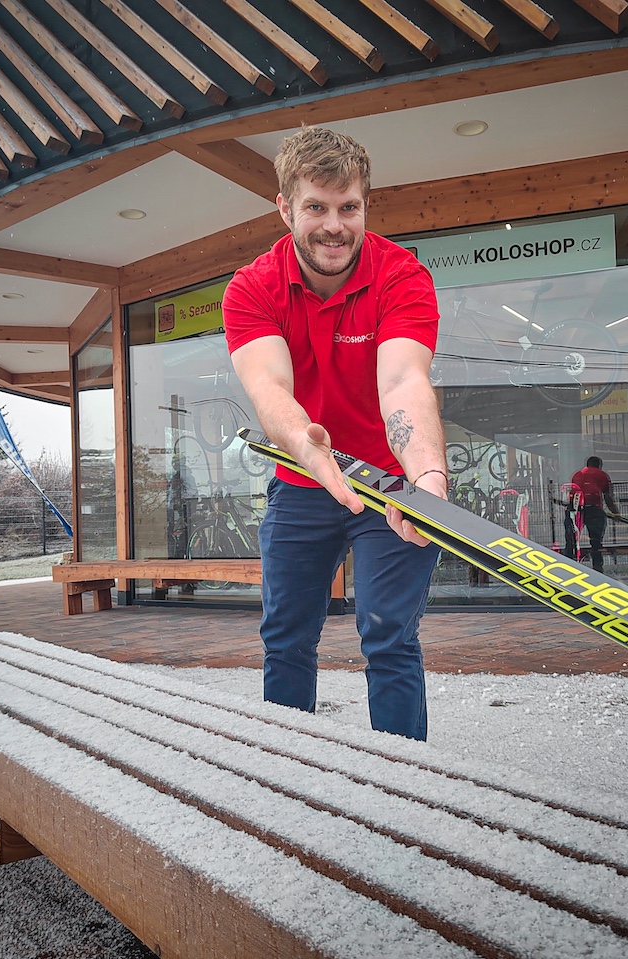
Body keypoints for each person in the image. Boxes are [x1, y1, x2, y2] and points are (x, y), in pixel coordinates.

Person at [221, 127, 447, 741]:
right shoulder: (251, 288)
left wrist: (428, 476)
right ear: (286, 207)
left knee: (389, 635)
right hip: (301, 482)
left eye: (349, 207)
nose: (334, 225)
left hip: (390, 484)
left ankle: (408, 784)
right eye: (316, 207)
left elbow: (402, 381)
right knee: (286, 637)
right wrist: (308, 448)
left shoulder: (401, 276)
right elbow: (269, 390)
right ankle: (291, 779)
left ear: (365, 207)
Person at [571, 455, 620, 572]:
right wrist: (615, 513)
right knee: (596, 541)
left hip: (577, 509)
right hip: (594, 509)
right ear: (599, 465)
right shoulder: (602, 475)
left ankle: (572, 565)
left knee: (574, 540)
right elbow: (608, 497)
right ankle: (597, 567)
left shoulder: (577, 475)